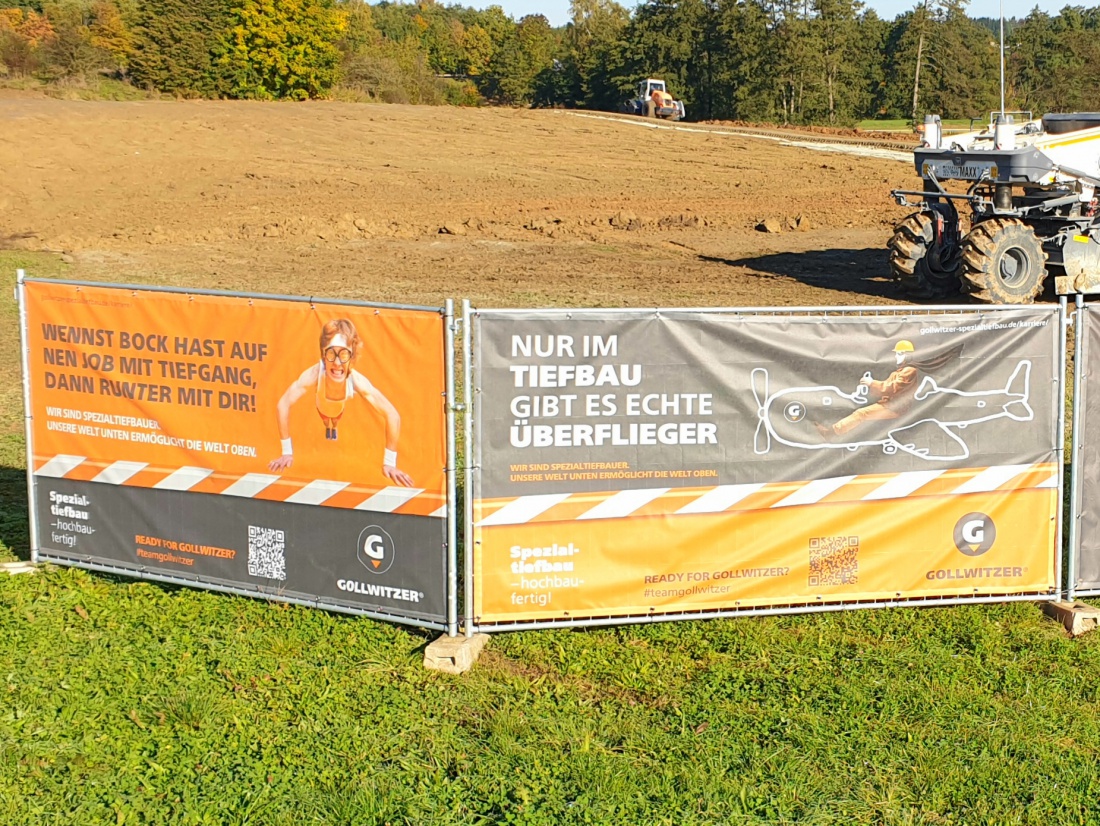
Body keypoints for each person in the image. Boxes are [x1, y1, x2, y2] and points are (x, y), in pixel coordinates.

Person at [267, 318, 414, 487]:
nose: (337, 363)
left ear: (351, 356)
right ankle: (329, 425)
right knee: (325, 419)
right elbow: (283, 404)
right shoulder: (315, 374)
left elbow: (392, 415)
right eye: (331, 353)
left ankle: (333, 427)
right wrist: (286, 452)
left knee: (334, 421)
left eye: (343, 354)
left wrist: (390, 462)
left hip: (338, 409)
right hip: (321, 407)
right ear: (323, 353)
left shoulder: (356, 381)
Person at [817, 340, 961, 438]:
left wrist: (872, 383)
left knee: (861, 413)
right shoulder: (903, 370)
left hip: (895, 407)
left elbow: (891, 388)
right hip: (890, 404)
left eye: (899, 354)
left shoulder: (908, 371)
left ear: (907, 355)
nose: (896, 356)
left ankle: (832, 433)